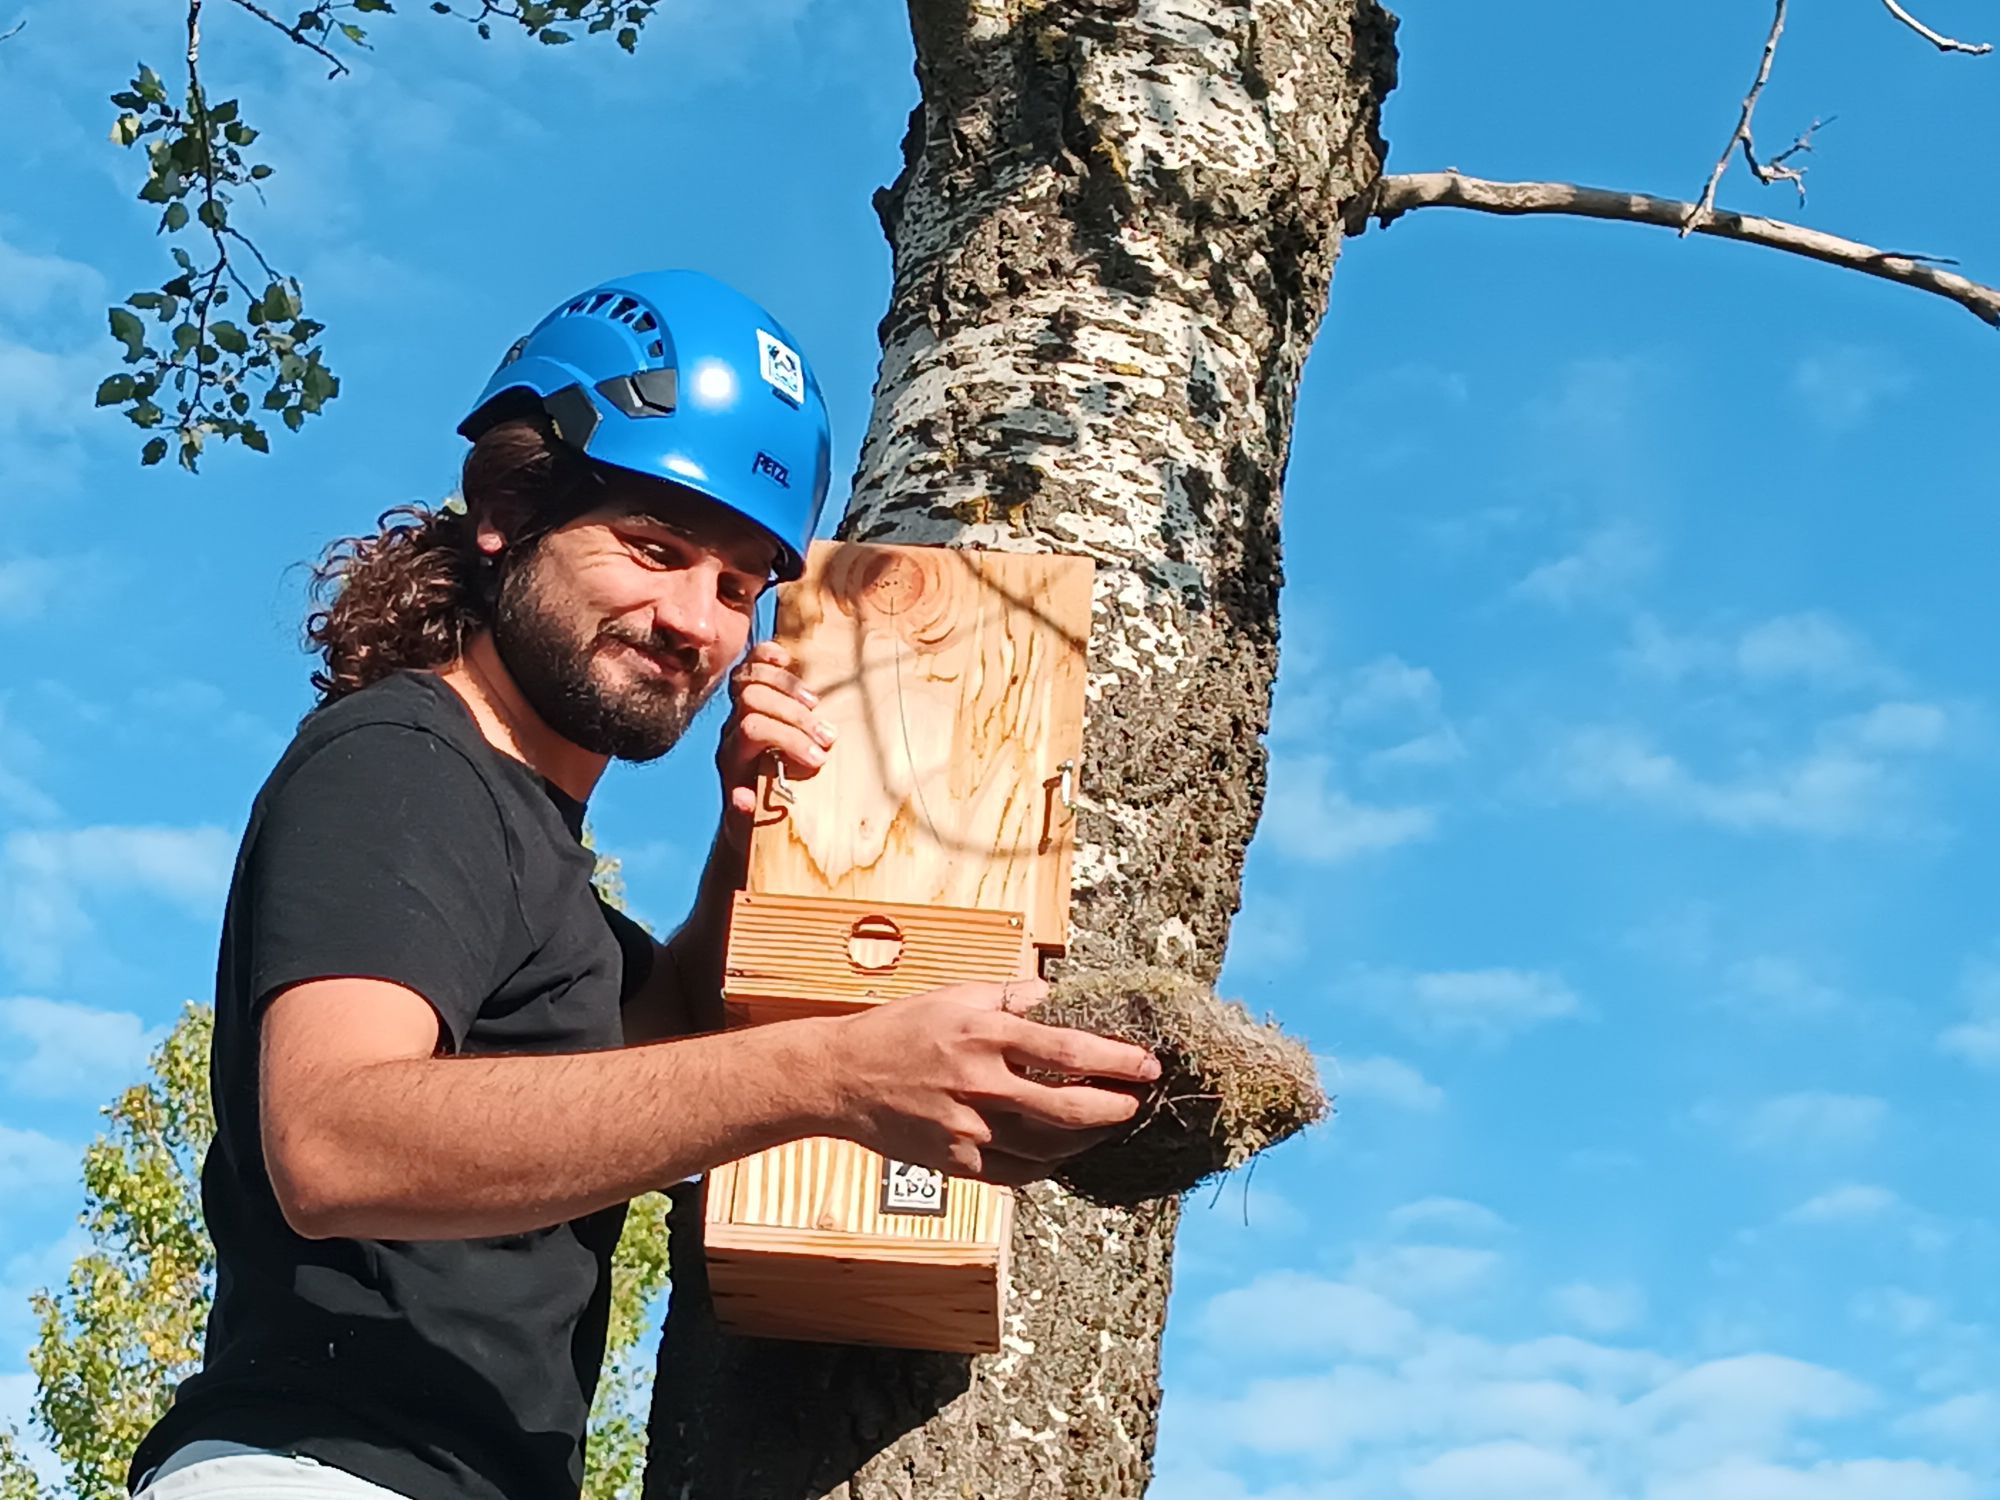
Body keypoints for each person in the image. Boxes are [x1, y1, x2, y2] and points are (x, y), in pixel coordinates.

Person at [124, 270, 1158, 1500]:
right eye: (655, 548)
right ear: (510, 505)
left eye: (735, 585)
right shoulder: (402, 765)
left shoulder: (528, 843)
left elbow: (647, 1043)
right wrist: (834, 1074)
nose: (694, 622)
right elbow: (331, 1139)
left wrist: (746, 837)